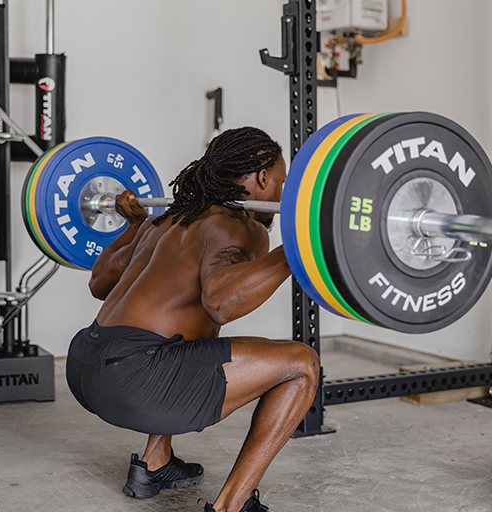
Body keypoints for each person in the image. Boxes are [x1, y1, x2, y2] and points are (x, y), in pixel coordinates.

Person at [66, 127, 320, 512]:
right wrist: (301, 247)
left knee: (186, 337)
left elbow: (99, 282)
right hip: (132, 382)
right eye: (282, 182)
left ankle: (154, 464)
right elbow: (220, 302)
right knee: (302, 364)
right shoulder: (238, 227)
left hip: (85, 364)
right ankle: (232, 505)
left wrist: (133, 226)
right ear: (263, 178)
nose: (283, 194)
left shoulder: (161, 222)